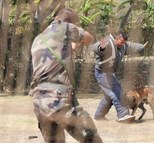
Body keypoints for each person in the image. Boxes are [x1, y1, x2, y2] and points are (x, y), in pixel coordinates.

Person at [29, 8, 103, 143]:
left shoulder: (38, 39)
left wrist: (73, 45)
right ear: (70, 21)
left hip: (39, 102)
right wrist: (78, 32)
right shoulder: (65, 27)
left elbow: (59, 55)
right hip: (59, 99)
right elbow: (88, 38)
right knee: (92, 138)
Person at [92, 32, 147, 123]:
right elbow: (96, 46)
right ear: (115, 38)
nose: (123, 44)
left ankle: (99, 115)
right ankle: (123, 114)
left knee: (109, 95)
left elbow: (131, 46)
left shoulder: (123, 46)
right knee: (117, 91)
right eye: (121, 42)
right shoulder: (108, 42)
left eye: (124, 42)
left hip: (110, 74)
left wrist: (142, 47)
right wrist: (101, 48)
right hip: (102, 73)